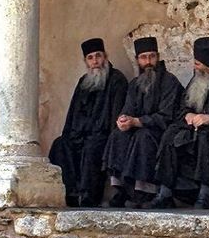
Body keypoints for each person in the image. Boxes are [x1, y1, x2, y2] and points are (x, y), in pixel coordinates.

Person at [152, 36, 209, 209]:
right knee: (170, 134)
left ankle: (205, 194)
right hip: (191, 128)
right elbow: (182, 107)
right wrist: (188, 115)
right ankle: (165, 192)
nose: (195, 66)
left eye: (199, 63)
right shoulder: (196, 79)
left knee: (206, 137)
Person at [103, 36, 183, 208]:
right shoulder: (134, 84)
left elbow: (167, 116)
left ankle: (145, 192)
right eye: (143, 57)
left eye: (152, 56)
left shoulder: (170, 82)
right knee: (118, 134)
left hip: (160, 131)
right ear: (137, 60)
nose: (148, 62)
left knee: (143, 136)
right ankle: (120, 190)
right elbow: (128, 108)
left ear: (158, 57)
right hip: (139, 127)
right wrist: (124, 119)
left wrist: (138, 121)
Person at [49, 38, 128, 207]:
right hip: (80, 133)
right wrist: (69, 134)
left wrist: (109, 133)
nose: (95, 61)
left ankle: (88, 196)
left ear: (105, 57)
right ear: (86, 61)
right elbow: (72, 113)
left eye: (98, 56)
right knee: (61, 144)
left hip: (103, 134)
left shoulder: (117, 79)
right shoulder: (83, 82)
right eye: (90, 58)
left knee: (92, 146)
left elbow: (117, 112)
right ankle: (69, 193)